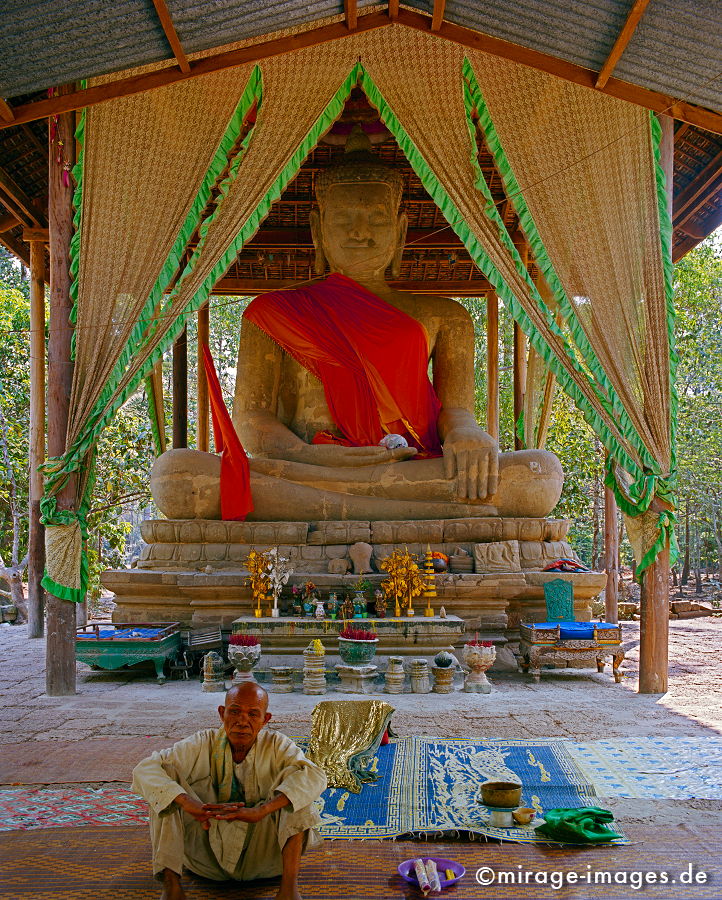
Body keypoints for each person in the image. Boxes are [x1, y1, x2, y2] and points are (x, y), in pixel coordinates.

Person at [150, 127, 562, 521]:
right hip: (307, 467)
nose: (360, 232)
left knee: (536, 474)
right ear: (318, 230)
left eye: (377, 218)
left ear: (401, 232)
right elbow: (251, 422)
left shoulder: (446, 315)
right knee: (178, 474)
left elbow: (455, 411)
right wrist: (311, 455)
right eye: (344, 218)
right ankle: (409, 513)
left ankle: (343, 508)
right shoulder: (271, 313)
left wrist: (469, 435)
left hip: (407, 465)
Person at [131, 682, 326, 900]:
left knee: (297, 787)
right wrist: (186, 801)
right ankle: (171, 887)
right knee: (163, 786)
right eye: (235, 712)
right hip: (206, 858)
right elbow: (145, 769)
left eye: (253, 714)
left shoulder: (277, 745)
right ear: (222, 714)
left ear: (265, 720)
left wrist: (262, 810)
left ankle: (289, 890)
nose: (243, 721)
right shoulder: (202, 743)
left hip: (265, 858)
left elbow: (315, 776)